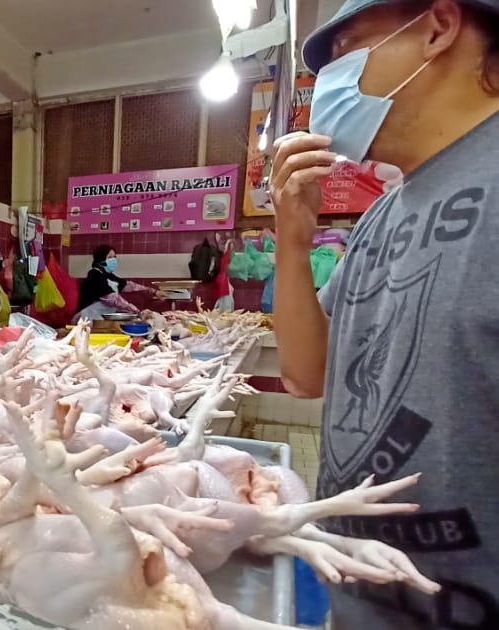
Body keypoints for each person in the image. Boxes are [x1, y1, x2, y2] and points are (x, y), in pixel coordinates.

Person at [273, 1, 499, 628]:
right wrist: (293, 239)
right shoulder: (385, 211)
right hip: (359, 601)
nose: (326, 84)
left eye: (345, 49)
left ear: (438, 28)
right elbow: (307, 375)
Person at [72, 245, 153, 322]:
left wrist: (152, 291)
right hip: (87, 317)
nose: (113, 260)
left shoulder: (108, 275)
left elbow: (129, 286)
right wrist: (136, 311)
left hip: (100, 318)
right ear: (101, 259)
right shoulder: (94, 275)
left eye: (114, 257)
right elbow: (112, 298)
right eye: (110, 257)